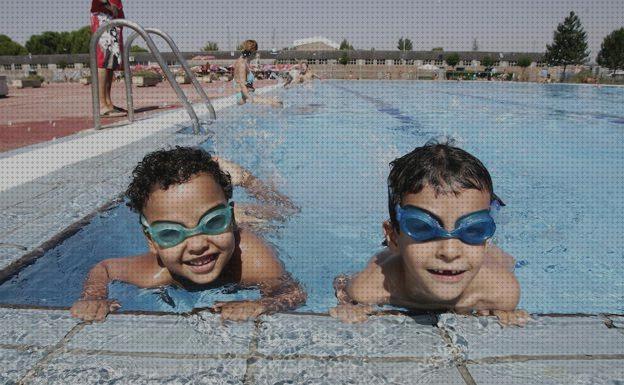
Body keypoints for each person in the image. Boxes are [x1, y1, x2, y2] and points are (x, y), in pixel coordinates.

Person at [71, 147, 305, 322]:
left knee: (288, 210)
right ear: (151, 241)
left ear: (229, 220)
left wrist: (264, 304)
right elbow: (104, 269)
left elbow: (292, 292)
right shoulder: (155, 272)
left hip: (253, 223)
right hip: (223, 217)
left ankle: (246, 180)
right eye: (171, 233)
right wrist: (94, 296)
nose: (196, 245)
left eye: (213, 221)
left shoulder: (252, 258)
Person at [330, 142, 528, 326]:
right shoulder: (373, 286)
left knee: (501, 259)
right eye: (422, 228)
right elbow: (343, 285)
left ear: (486, 239)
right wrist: (348, 306)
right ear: (393, 236)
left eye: (474, 229)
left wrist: (504, 314)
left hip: (491, 263)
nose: (449, 251)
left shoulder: (501, 292)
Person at [90, 0, 126, 117]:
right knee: (103, 61)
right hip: (104, 16)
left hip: (112, 18)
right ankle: (102, 105)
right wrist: (107, 5)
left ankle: (108, 103)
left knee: (111, 63)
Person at [233, 40, 282, 107]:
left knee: (276, 101)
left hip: (248, 96)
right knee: (276, 104)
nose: (257, 54)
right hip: (244, 99)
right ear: (253, 51)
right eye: (256, 51)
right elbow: (242, 86)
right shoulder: (242, 64)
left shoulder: (245, 61)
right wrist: (253, 100)